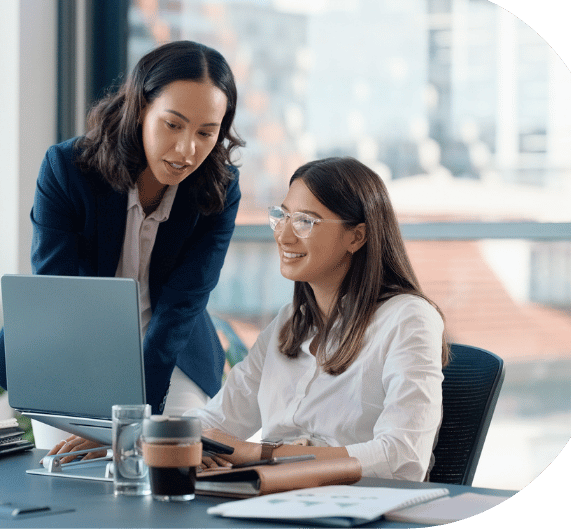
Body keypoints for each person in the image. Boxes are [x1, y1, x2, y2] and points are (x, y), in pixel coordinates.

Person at [0, 40, 244, 453]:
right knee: (70, 473)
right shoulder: (68, 169)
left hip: (167, 354)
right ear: (140, 108)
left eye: (205, 132)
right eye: (172, 124)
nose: (186, 150)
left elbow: (182, 304)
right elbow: (64, 291)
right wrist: (101, 422)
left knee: (172, 464)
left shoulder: (218, 189)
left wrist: (132, 421)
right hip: (71, 345)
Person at [185, 157, 449, 481]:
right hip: (275, 501)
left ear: (357, 237)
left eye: (305, 221)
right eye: (282, 216)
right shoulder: (287, 325)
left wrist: (260, 454)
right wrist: (187, 444)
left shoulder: (408, 319)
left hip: (355, 510)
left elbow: (402, 458)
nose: (284, 236)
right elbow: (213, 425)